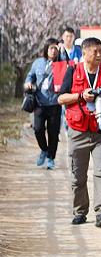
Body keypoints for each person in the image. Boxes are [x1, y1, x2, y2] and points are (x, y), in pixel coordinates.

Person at [57, 37, 101, 228]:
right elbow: (61, 98)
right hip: (78, 131)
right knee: (78, 175)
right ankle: (80, 211)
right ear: (84, 53)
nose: (99, 55)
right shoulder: (73, 71)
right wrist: (80, 96)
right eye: (95, 51)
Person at [24, 39, 62, 169]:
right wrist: (28, 82)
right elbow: (30, 76)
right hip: (40, 103)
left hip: (55, 103)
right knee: (38, 129)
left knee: (53, 132)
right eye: (51, 48)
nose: (54, 50)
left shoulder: (61, 64)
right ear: (46, 49)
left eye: (56, 48)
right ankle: (44, 150)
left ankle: (51, 158)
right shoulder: (38, 63)